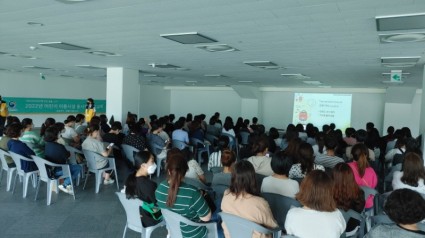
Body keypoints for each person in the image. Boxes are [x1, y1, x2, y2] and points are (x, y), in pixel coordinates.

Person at [155, 150, 211, 238]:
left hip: (173, 231)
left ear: (169, 171)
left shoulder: (160, 188)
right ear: (186, 171)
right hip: (193, 234)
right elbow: (206, 218)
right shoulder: (192, 192)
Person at [221, 160, 278, 238]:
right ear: (252, 178)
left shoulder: (226, 195)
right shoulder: (260, 203)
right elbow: (273, 226)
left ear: (233, 177)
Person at [285, 170, 346, 238]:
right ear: (329, 192)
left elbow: (289, 232)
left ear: (303, 189)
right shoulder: (337, 215)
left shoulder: (292, 214)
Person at [124, 150, 161, 227]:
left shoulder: (129, 179)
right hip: (147, 218)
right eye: (152, 161)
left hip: (133, 217)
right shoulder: (149, 185)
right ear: (143, 165)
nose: (154, 164)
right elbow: (157, 203)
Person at [44, 126, 81, 195]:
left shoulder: (47, 145)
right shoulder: (59, 146)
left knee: (71, 168)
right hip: (59, 170)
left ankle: (67, 184)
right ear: (55, 135)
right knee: (78, 167)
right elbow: (67, 156)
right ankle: (65, 184)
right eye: (58, 133)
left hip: (49, 169)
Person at [332, 163, 365, 232]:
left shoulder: (327, 193)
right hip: (351, 228)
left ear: (333, 177)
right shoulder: (360, 193)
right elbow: (359, 211)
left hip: (333, 228)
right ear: (351, 176)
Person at [348, 143, 377, 210]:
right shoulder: (371, 171)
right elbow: (373, 187)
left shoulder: (347, 167)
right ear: (366, 155)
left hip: (350, 203)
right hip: (368, 204)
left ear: (352, 155)